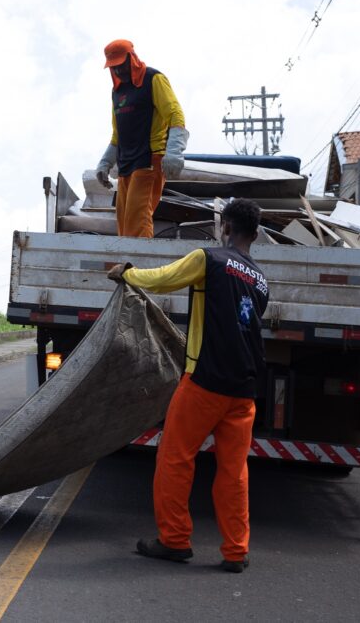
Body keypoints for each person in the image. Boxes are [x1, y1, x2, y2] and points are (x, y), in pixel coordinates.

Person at [107, 198, 268, 573]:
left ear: (224, 227)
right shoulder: (261, 281)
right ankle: (235, 551)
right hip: (244, 389)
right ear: (256, 235)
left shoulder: (208, 259)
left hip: (204, 382)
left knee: (175, 459)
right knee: (234, 471)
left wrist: (127, 273)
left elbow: (163, 280)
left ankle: (175, 541)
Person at [95, 39, 188, 238]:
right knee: (124, 224)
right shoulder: (117, 92)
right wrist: (105, 163)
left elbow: (175, 115)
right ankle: (127, 266)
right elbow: (117, 134)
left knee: (138, 220)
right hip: (126, 164)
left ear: (132, 58)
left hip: (149, 160)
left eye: (121, 65)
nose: (119, 71)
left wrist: (173, 151)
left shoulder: (153, 79)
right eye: (114, 68)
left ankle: (141, 268)